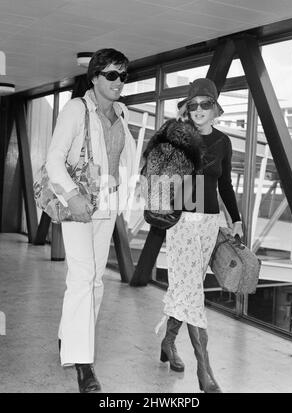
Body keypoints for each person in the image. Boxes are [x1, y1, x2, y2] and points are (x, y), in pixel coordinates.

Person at [143, 78, 243, 393]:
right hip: (183, 221)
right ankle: (205, 368)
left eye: (205, 103)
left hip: (210, 223)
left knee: (187, 287)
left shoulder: (224, 142)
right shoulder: (177, 136)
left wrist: (236, 220)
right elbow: (157, 175)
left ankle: (169, 342)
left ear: (215, 107)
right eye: (194, 104)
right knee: (192, 292)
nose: (199, 110)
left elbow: (224, 184)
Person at [46, 48, 136, 393]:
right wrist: (72, 196)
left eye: (123, 75)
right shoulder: (75, 109)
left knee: (96, 281)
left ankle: (69, 337)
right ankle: (84, 364)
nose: (118, 82)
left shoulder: (123, 113)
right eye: (111, 75)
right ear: (95, 77)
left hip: (109, 204)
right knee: (83, 278)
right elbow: (54, 160)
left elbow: (121, 159)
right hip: (79, 205)